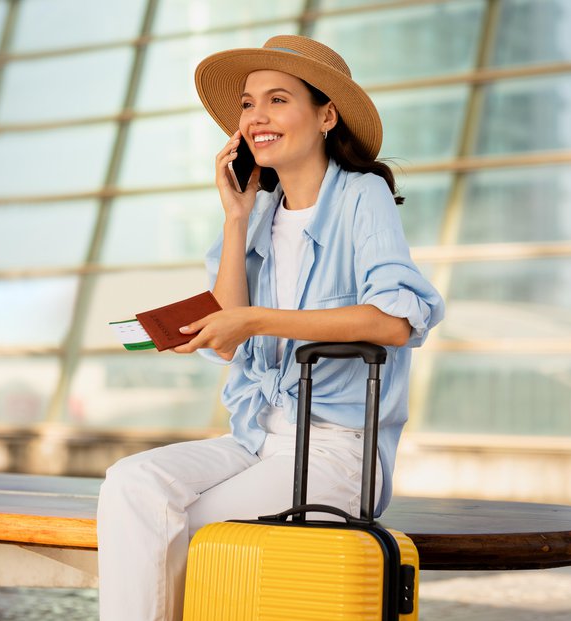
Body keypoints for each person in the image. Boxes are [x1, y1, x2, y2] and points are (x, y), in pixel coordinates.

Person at [96, 35, 444, 621]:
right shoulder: (258, 216)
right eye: (248, 104)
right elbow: (231, 342)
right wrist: (236, 219)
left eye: (278, 100)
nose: (257, 116)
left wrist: (256, 316)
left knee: (181, 529)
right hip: (254, 437)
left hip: (336, 451)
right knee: (132, 483)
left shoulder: (362, 197)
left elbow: (392, 319)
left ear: (326, 115)